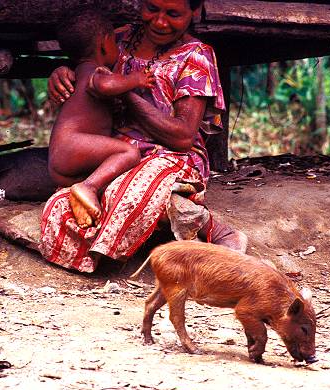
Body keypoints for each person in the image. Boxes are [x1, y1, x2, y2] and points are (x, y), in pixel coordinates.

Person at [41, 0, 247, 272]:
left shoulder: (196, 56)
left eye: (173, 14)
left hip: (169, 155)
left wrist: (124, 92)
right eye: (152, 8)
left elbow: (183, 136)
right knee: (61, 207)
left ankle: (210, 228)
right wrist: (62, 74)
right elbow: (86, 64)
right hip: (113, 152)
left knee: (130, 193)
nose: (160, 22)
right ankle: (160, 219)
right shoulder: (118, 38)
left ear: (194, 12)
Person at [50, 9, 155, 228]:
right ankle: (88, 187)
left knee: (102, 179)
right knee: (128, 152)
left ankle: (81, 197)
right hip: (73, 144)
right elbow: (104, 84)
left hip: (63, 156)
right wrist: (135, 79)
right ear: (105, 43)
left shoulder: (78, 71)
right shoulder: (94, 71)